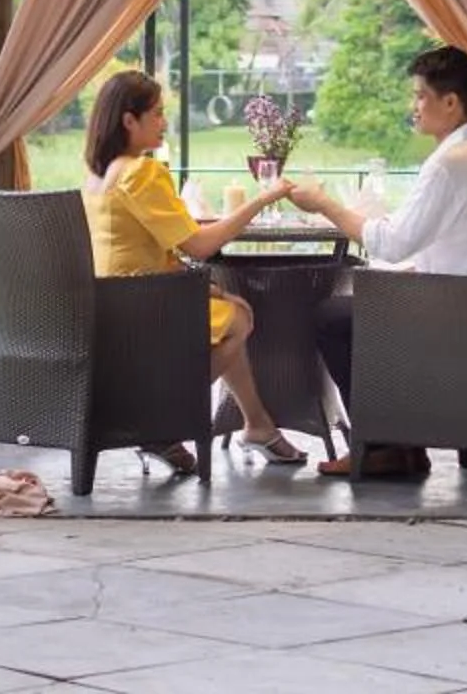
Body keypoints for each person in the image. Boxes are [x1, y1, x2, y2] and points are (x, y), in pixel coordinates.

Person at [284, 46, 467, 478]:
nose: (414, 107)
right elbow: (461, 246)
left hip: (454, 316)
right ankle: (401, 443)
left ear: (450, 102)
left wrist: (324, 205)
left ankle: (381, 445)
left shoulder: (450, 164)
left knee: (332, 316)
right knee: (369, 300)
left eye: (420, 96)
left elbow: (390, 243)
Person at [80, 68, 308, 470]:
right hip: (146, 310)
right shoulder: (142, 172)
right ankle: (159, 422)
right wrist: (262, 200)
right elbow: (201, 246)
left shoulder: (98, 177)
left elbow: (134, 251)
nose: (164, 122)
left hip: (109, 307)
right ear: (128, 120)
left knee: (227, 310)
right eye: (157, 114)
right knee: (239, 317)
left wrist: (204, 289)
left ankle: (257, 424)